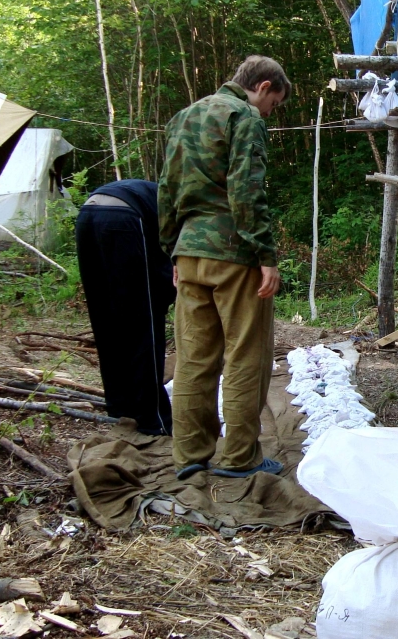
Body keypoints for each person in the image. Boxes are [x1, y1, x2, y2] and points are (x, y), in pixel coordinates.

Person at [158, 55, 290, 480]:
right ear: (264, 86)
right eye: (274, 103)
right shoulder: (244, 116)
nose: (271, 112)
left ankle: (190, 455)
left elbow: (166, 188)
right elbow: (246, 190)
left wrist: (172, 250)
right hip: (234, 251)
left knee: (194, 358)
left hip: (189, 252)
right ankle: (239, 457)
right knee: (245, 354)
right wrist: (264, 255)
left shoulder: (184, 116)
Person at [76, 179, 176, 435]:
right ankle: (154, 420)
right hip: (123, 218)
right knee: (144, 325)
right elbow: (172, 272)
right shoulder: (185, 214)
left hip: (87, 214)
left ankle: (119, 408)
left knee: (106, 319)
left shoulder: (161, 195)